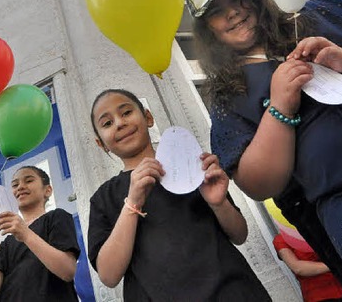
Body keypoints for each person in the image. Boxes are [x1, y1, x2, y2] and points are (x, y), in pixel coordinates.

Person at [186, 0, 342, 301]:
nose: (232, 12)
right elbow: (256, 183)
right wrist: (279, 109)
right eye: (216, 12)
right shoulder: (227, 97)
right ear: (208, 31)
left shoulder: (315, 15)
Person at [88, 88, 270, 301]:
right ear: (101, 143)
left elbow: (240, 234)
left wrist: (219, 203)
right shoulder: (103, 198)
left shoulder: (192, 165)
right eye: (107, 123)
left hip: (234, 292)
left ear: (148, 117)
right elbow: (109, 276)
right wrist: (132, 204)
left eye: (127, 112)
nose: (120, 123)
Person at [0, 165, 80, 301]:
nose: (20, 187)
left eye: (29, 180)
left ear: (47, 190)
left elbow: (67, 270)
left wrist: (26, 234)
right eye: (15, 185)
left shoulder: (56, 217)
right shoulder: (7, 243)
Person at [272, 233, 342, 302]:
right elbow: (298, 268)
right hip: (319, 296)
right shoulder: (281, 239)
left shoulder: (316, 228)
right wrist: (335, 265)